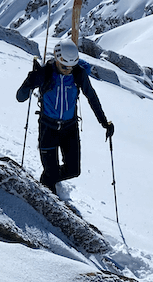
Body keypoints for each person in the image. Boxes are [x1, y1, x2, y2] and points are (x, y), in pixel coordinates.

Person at [16, 40, 114, 195]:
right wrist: (30, 81)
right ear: (57, 59)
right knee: (52, 173)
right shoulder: (45, 73)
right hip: (48, 127)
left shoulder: (78, 73)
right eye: (64, 67)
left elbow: (91, 96)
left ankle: (47, 181)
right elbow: (20, 97)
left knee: (73, 170)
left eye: (71, 66)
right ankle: (48, 189)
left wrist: (104, 122)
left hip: (70, 128)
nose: (68, 70)